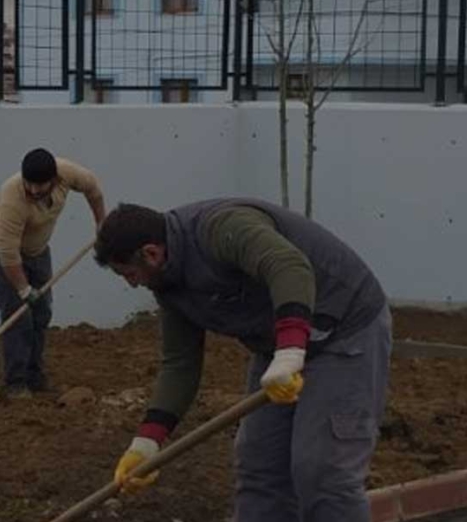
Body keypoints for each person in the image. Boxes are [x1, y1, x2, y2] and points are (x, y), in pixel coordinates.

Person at [92, 198, 392, 522]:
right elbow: (180, 364)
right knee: (259, 463)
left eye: (129, 273)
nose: (132, 282)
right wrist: (147, 442)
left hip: (343, 330)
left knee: (322, 469)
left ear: (151, 253)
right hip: (279, 346)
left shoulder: (222, 228)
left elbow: (288, 265)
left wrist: (290, 353)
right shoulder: (169, 285)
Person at [0, 147, 106, 400]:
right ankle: (16, 383)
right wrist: (24, 289)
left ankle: (35, 377)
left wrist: (101, 223)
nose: (35, 190)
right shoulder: (12, 198)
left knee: (42, 312)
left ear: (55, 180)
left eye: (41, 185)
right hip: (4, 256)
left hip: (38, 251)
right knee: (18, 317)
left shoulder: (68, 174)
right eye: (30, 184)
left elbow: (93, 189)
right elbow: (8, 253)